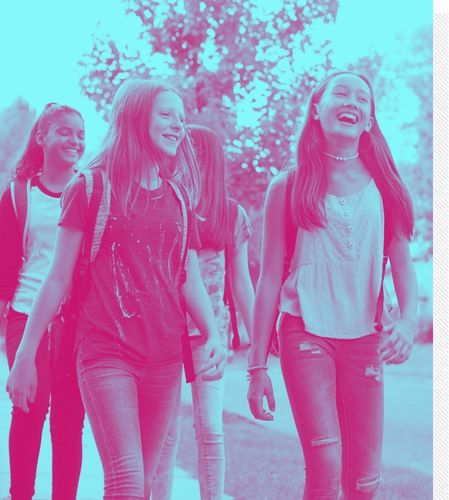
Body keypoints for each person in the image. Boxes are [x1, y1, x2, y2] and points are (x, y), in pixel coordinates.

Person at [6, 79, 227, 499]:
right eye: (166, 114)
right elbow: (57, 278)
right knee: (125, 480)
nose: (178, 124)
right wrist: (24, 357)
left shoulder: (179, 197)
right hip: (106, 353)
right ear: (134, 117)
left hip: (164, 359)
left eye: (182, 117)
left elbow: (190, 280)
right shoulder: (89, 187)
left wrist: (213, 333)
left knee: (143, 483)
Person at [247, 71, 417, 499]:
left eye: (363, 98)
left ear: (370, 120)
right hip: (305, 332)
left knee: (365, 482)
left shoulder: (387, 188)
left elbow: (402, 263)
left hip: (366, 339)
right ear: (316, 109)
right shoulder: (286, 186)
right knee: (324, 465)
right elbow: (268, 279)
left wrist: (409, 321)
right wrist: (255, 367)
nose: (352, 101)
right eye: (341, 92)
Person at [152, 124, 255, 500]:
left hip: (209, 337)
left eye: (187, 150)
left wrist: (259, 337)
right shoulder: (163, 202)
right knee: (165, 433)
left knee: (210, 430)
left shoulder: (231, 215)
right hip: (163, 334)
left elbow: (241, 281)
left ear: (204, 160)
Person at [0, 103, 86, 499]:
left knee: (70, 422)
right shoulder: (19, 196)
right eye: (65, 132)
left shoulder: (88, 190)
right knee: (29, 411)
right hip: (25, 315)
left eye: (80, 134)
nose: (74, 140)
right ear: (42, 137)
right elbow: (4, 270)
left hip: (74, 324)